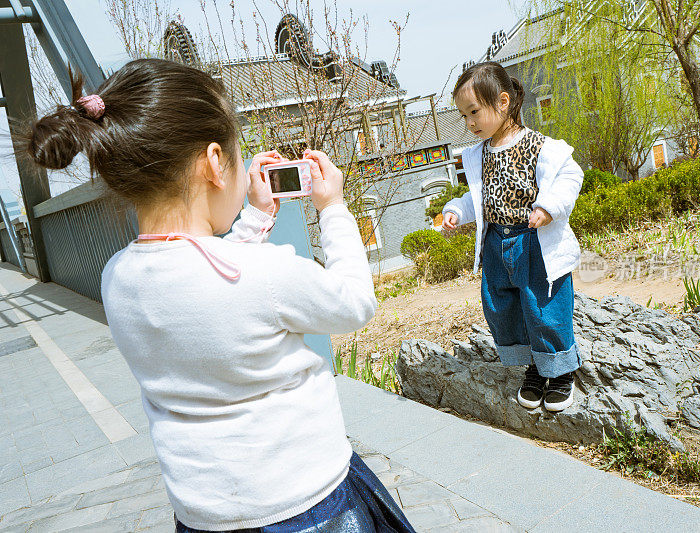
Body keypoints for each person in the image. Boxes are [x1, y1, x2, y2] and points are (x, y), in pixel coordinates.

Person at [25, 58, 415, 533]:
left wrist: (253, 219)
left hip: (204, 516)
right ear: (213, 162)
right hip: (307, 504)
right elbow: (354, 301)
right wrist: (332, 207)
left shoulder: (117, 277)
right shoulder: (265, 274)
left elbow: (205, 289)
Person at [442, 62, 583, 412]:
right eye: (464, 116)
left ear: (503, 102)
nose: (469, 123)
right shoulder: (477, 155)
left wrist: (549, 207)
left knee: (544, 305)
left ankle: (561, 370)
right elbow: (478, 197)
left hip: (533, 240)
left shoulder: (539, 145)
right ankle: (535, 366)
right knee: (505, 308)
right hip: (496, 245)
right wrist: (457, 212)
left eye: (474, 112)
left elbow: (570, 175)